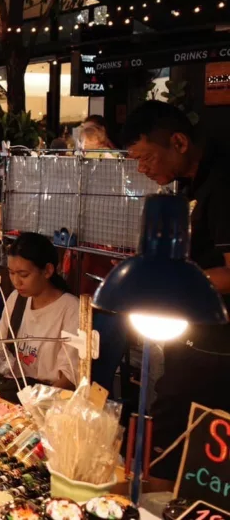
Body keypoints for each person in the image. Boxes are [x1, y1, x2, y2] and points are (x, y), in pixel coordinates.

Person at [122, 100, 230, 477]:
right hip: (193, 334)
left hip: (216, 347)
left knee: (176, 438)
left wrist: (168, 281)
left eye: (146, 157)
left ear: (179, 142)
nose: (141, 168)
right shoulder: (191, 182)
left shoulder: (223, 185)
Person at [0, 233, 79, 390]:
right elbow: (0, 345)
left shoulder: (71, 309)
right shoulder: (17, 299)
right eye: (11, 273)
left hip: (46, 394)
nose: (16, 282)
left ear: (47, 271)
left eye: (23, 275)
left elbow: (69, 378)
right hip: (14, 386)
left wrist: (37, 404)